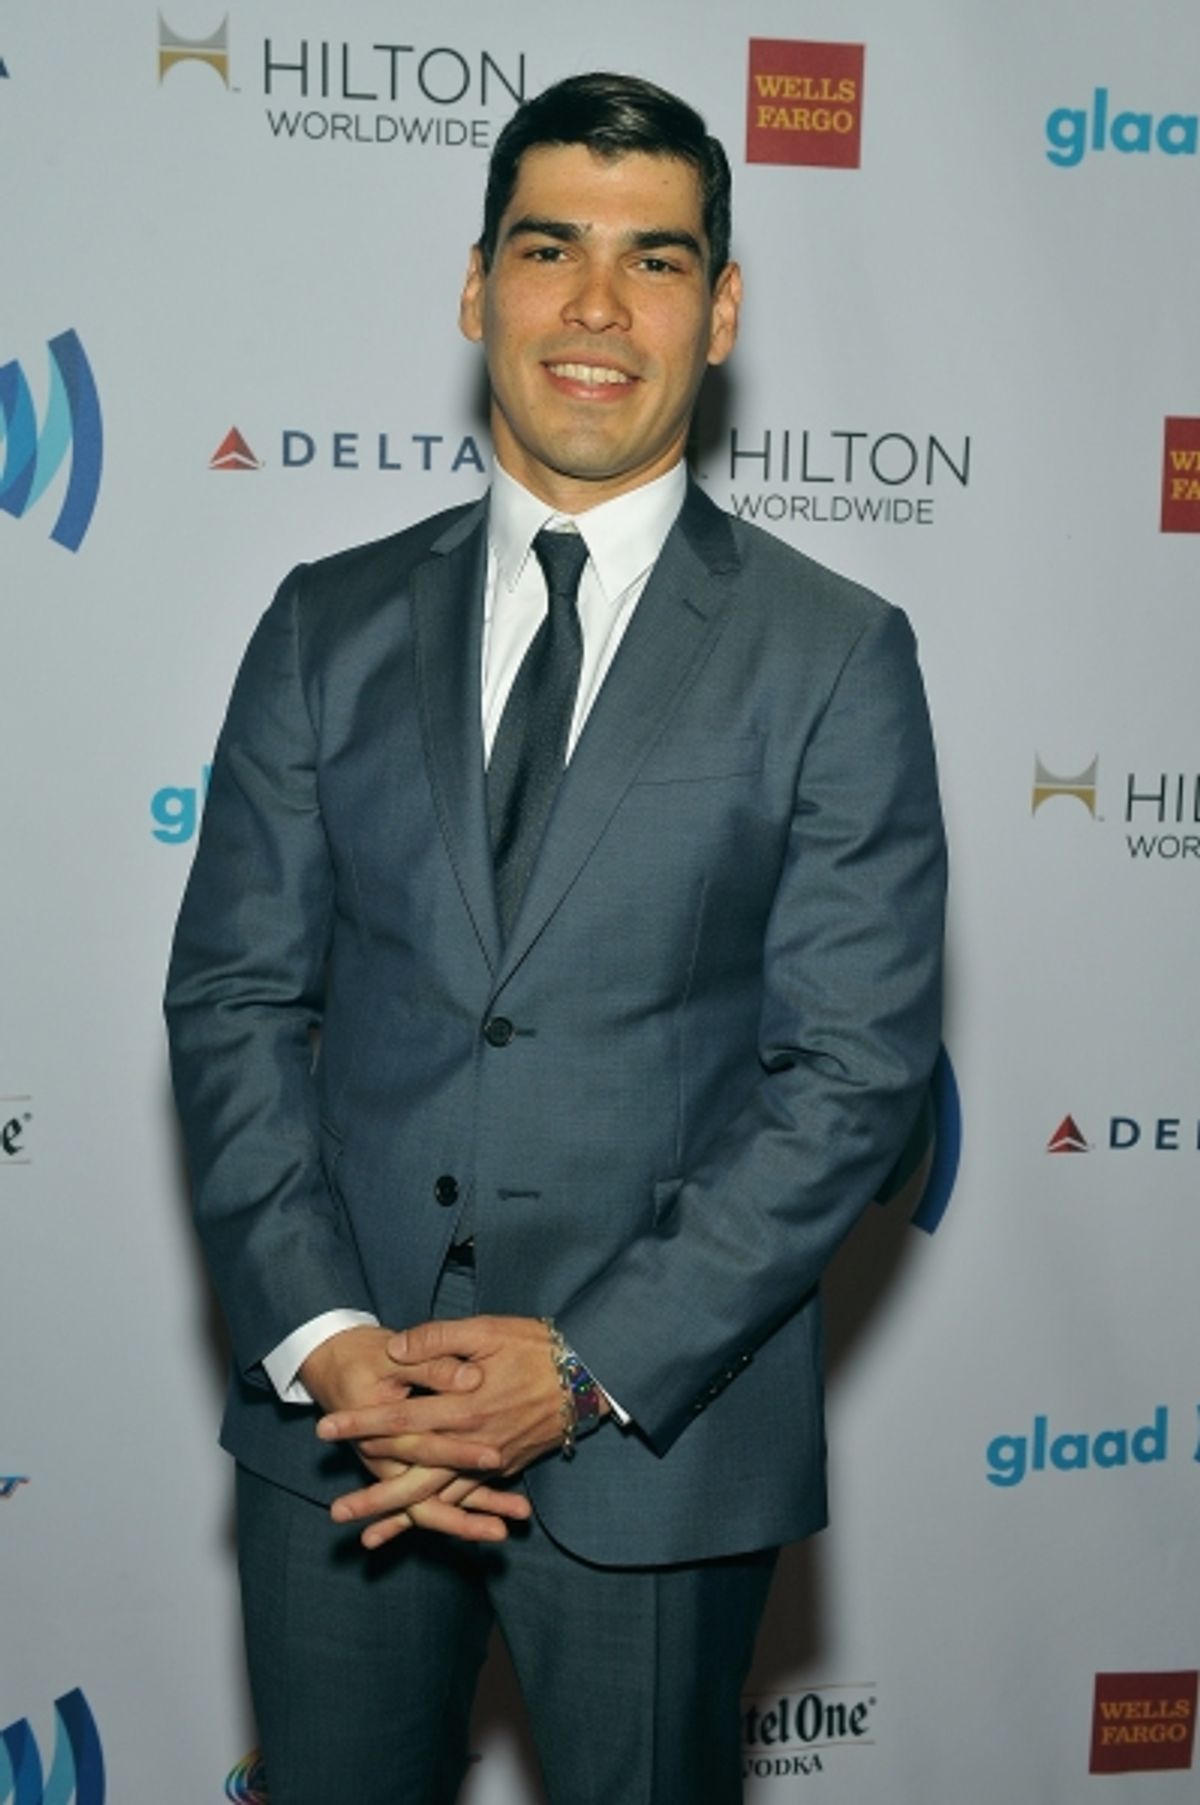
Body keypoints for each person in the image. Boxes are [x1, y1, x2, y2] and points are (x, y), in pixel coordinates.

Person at [165, 71, 946, 1805]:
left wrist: (583, 1367)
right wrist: (329, 1344)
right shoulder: (324, 623)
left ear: (721, 309)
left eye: (656, 261)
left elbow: (854, 1073)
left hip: (658, 1455)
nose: (596, 309)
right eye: (551, 250)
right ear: (477, 287)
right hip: (341, 1448)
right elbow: (233, 999)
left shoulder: (834, 655)